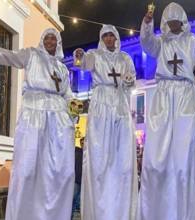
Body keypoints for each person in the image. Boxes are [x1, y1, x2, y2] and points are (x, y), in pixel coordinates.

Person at [0, 28, 75, 220]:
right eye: (47, 38)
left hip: (58, 119)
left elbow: (68, 94)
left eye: (54, 39)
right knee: (28, 168)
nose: (50, 42)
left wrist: (73, 107)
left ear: (58, 43)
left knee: (60, 171)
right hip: (34, 115)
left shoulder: (63, 68)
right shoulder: (31, 55)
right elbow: (13, 57)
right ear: (42, 40)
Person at [138, 2, 195, 219]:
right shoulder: (161, 42)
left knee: (182, 154)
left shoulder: (193, 41)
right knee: (157, 156)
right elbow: (146, 43)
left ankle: (183, 209)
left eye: (176, 21)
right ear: (165, 23)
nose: (173, 25)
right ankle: (156, 209)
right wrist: (146, 23)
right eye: (169, 22)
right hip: (163, 94)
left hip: (184, 94)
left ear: (182, 21)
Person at [74, 24, 137, 220]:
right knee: (100, 154)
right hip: (101, 104)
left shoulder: (125, 58)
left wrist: (127, 81)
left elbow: (132, 79)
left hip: (119, 103)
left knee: (122, 155)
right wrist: (79, 55)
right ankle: (99, 207)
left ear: (116, 37)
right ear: (102, 38)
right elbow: (82, 63)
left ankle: (120, 207)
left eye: (112, 35)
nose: (109, 39)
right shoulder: (95, 55)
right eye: (106, 36)